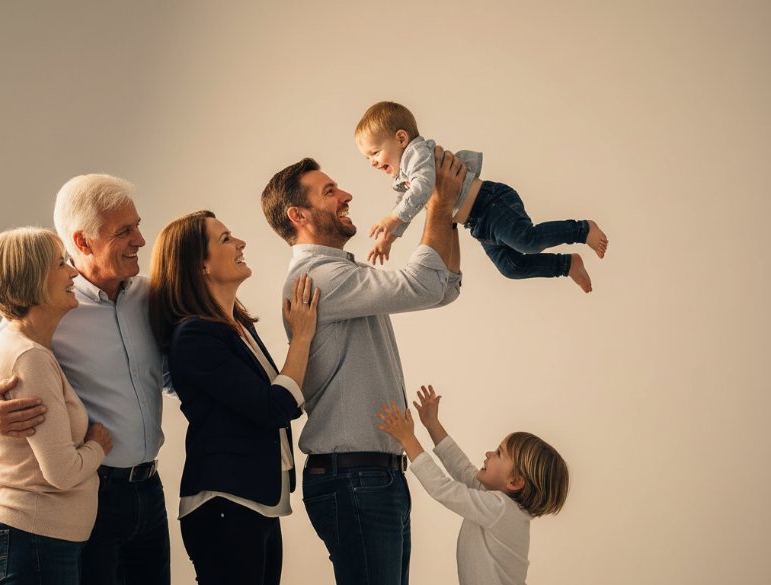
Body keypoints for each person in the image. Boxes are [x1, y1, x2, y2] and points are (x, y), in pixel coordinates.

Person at [0, 175, 171, 585]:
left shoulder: (150, 297)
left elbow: (169, 375)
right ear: (82, 242)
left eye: (137, 225)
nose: (140, 239)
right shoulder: (49, 306)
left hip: (149, 490)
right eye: (124, 231)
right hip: (93, 492)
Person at [259, 148, 465, 585]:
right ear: (298, 215)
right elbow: (425, 284)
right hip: (354, 479)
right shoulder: (316, 280)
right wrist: (438, 202)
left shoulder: (342, 274)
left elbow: (443, 288)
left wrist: (449, 212)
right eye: (330, 192)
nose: (347, 195)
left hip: (371, 477)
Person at [148, 210, 320, 585]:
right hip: (225, 504)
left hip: (255, 500)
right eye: (226, 239)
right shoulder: (194, 336)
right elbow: (273, 407)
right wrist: (303, 337)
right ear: (200, 266)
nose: (241, 244)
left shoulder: (234, 327)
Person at [0, 227, 113, 585]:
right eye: (60, 264)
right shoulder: (29, 358)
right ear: (32, 278)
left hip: (40, 539)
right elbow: (62, 472)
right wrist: (98, 444)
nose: (73, 273)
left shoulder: (28, 348)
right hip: (33, 539)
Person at [355, 101, 608, 292]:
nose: (372, 163)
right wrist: (389, 238)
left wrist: (391, 218)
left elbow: (421, 190)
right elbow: (405, 207)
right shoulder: (403, 176)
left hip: (490, 204)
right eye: (367, 158)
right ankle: (567, 265)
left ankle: (582, 230)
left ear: (401, 138)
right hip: (477, 223)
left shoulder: (416, 154)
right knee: (511, 268)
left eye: (375, 153)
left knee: (527, 241)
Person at [376, 385, 569, 585]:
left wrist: (409, 440)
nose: (489, 454)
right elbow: (462, 468)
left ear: (515, 481)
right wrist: (432, 424)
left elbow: (443, 489)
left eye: (499, 454)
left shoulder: (501, 509)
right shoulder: (497, 501)